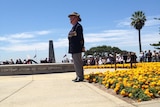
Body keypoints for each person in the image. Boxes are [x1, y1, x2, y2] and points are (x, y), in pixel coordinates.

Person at [68, 12, 85, 82]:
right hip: (74, 47)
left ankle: (80, 76)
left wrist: (82, 46)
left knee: (78, 62)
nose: (70, 19)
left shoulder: (78, 26)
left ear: (76, 18)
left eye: (71, 18)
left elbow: (79, 37)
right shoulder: (74, 27)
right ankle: (78, 75)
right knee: (76, 63)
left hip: (77, 47)